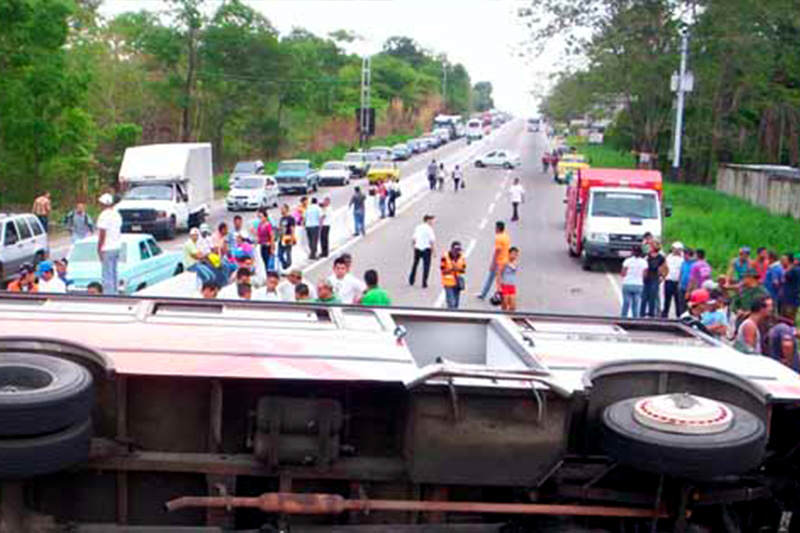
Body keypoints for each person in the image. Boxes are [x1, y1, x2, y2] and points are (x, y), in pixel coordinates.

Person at [96, 193, 122, 295]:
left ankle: (109, 294)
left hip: (107, 247)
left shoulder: (104, 215)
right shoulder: (117, 214)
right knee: (114, 272)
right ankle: (115, 292)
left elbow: (102, 233)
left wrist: (99, 248)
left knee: (107, 273)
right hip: (116, 246)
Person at [478, 221, 511, 300]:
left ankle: (484, 294)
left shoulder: (498, 238)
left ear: (498, 228)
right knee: (503, 279)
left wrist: (493, 263)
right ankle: (505, 295)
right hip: (505, 260)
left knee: (491, 278)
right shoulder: (506, 236)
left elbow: (497, 251)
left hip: (499, 262)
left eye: (495, 227)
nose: (495, 229)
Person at [408, 215, 436, 289]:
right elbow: (432, 241)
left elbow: (414, 238)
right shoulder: (429, 229)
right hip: (426, 248)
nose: (433, 222)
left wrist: (413, 246)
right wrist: (434, 251)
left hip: (418, 247)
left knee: (415, 264)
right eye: (432, 220)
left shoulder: (418, 227)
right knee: (426, 266)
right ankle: (424, 282)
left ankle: (411, 279)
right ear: (428, 220)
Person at [640, 241, 667, 318]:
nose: (650, 248)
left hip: (655, 278)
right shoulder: (647, 256)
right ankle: (642, 313)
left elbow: (665, 268)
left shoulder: (661, 258)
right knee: (644, 297)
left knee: (653, 297)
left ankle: (651, 313)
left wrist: (662, 277)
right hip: (647, 278)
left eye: (651, 246)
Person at [620, 245, 647, 318]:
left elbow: (623, 273)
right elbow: (644, 274)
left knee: (626, 303)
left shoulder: (627, 261)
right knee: (636, 304)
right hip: (638, 284)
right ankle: (635, 318)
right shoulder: (644, 262)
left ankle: (623, 317)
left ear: (632, 252)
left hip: (627, 283)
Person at [441, 241, 466, 309]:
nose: (457, 252)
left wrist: (457, 269)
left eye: (458, 250)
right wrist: (451, 269)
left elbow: (463, 269)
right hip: (448, 283)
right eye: (456, 250)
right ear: (451, 249)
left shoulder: (462, 257)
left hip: (457, 283)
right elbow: (443, 271)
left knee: (456, 304)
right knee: (451, 303)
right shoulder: (445, 257)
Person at [662, 242, 684, 318]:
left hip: (677, 281)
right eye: (674, 249)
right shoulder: (668, 257)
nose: (676, 251)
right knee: (667, 300)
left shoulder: (683, 259)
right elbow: (665, 267)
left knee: (678, 300)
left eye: (678, 249)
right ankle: (664, 315)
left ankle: (679, 316)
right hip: (668, 280)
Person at [276, 204, 297, 269]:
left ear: (287, 209)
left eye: (283, 209)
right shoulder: (281, 219)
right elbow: (280, 228)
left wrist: (292, 237)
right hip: (281, 237)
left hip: (288, 237)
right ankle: (284, 265)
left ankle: (288, 265)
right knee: (279, 254)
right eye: (281, 209)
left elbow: (292, 228)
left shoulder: (291, 218)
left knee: (288, 253)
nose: (281, 210)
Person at [780, 253, 800, 321]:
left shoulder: (795, 270)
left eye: (783, 260)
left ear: (789, 261)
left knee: (788, 320)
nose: (781, 261)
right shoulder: (791, 270)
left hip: (791, 301)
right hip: (785, 300)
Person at [499, 247, 519, 311]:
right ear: (509, 254)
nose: (514, 256)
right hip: (505, 285)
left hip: (512, 286)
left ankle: (510, 317)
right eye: (513, 254)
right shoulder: (504, 262)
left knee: (513, 306)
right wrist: (499, 286)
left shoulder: (515, 263)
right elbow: (499, 273)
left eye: (516, 255)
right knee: (505, 303)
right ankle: (503, 316)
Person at [255, 208, 274, 275]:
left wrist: (272, 247)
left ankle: (270, 274)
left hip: (267, 245)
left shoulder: (268, 225)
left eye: (261, 217)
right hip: (262, 245)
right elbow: (258, 236)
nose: (260, 218)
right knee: (264, 261)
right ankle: (267, 274)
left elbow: (272, 236)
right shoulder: (260, 225)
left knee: (268, 261)